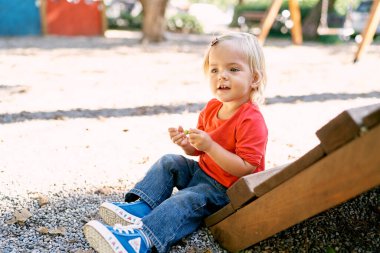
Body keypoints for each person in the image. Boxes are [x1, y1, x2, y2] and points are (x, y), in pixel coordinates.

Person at [83, 32, 268, 253]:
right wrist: (186, 144)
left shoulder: (251, 119)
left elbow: (246, 168)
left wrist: (210, 145)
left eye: (233, 69)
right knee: (169, 161)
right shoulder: (212, 108)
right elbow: (198, 153)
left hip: (225, 192)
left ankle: (141, 239)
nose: (222, 76)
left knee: (184, 199)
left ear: (254, 78)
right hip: (203, 173)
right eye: (215, 70)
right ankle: (142, 207)